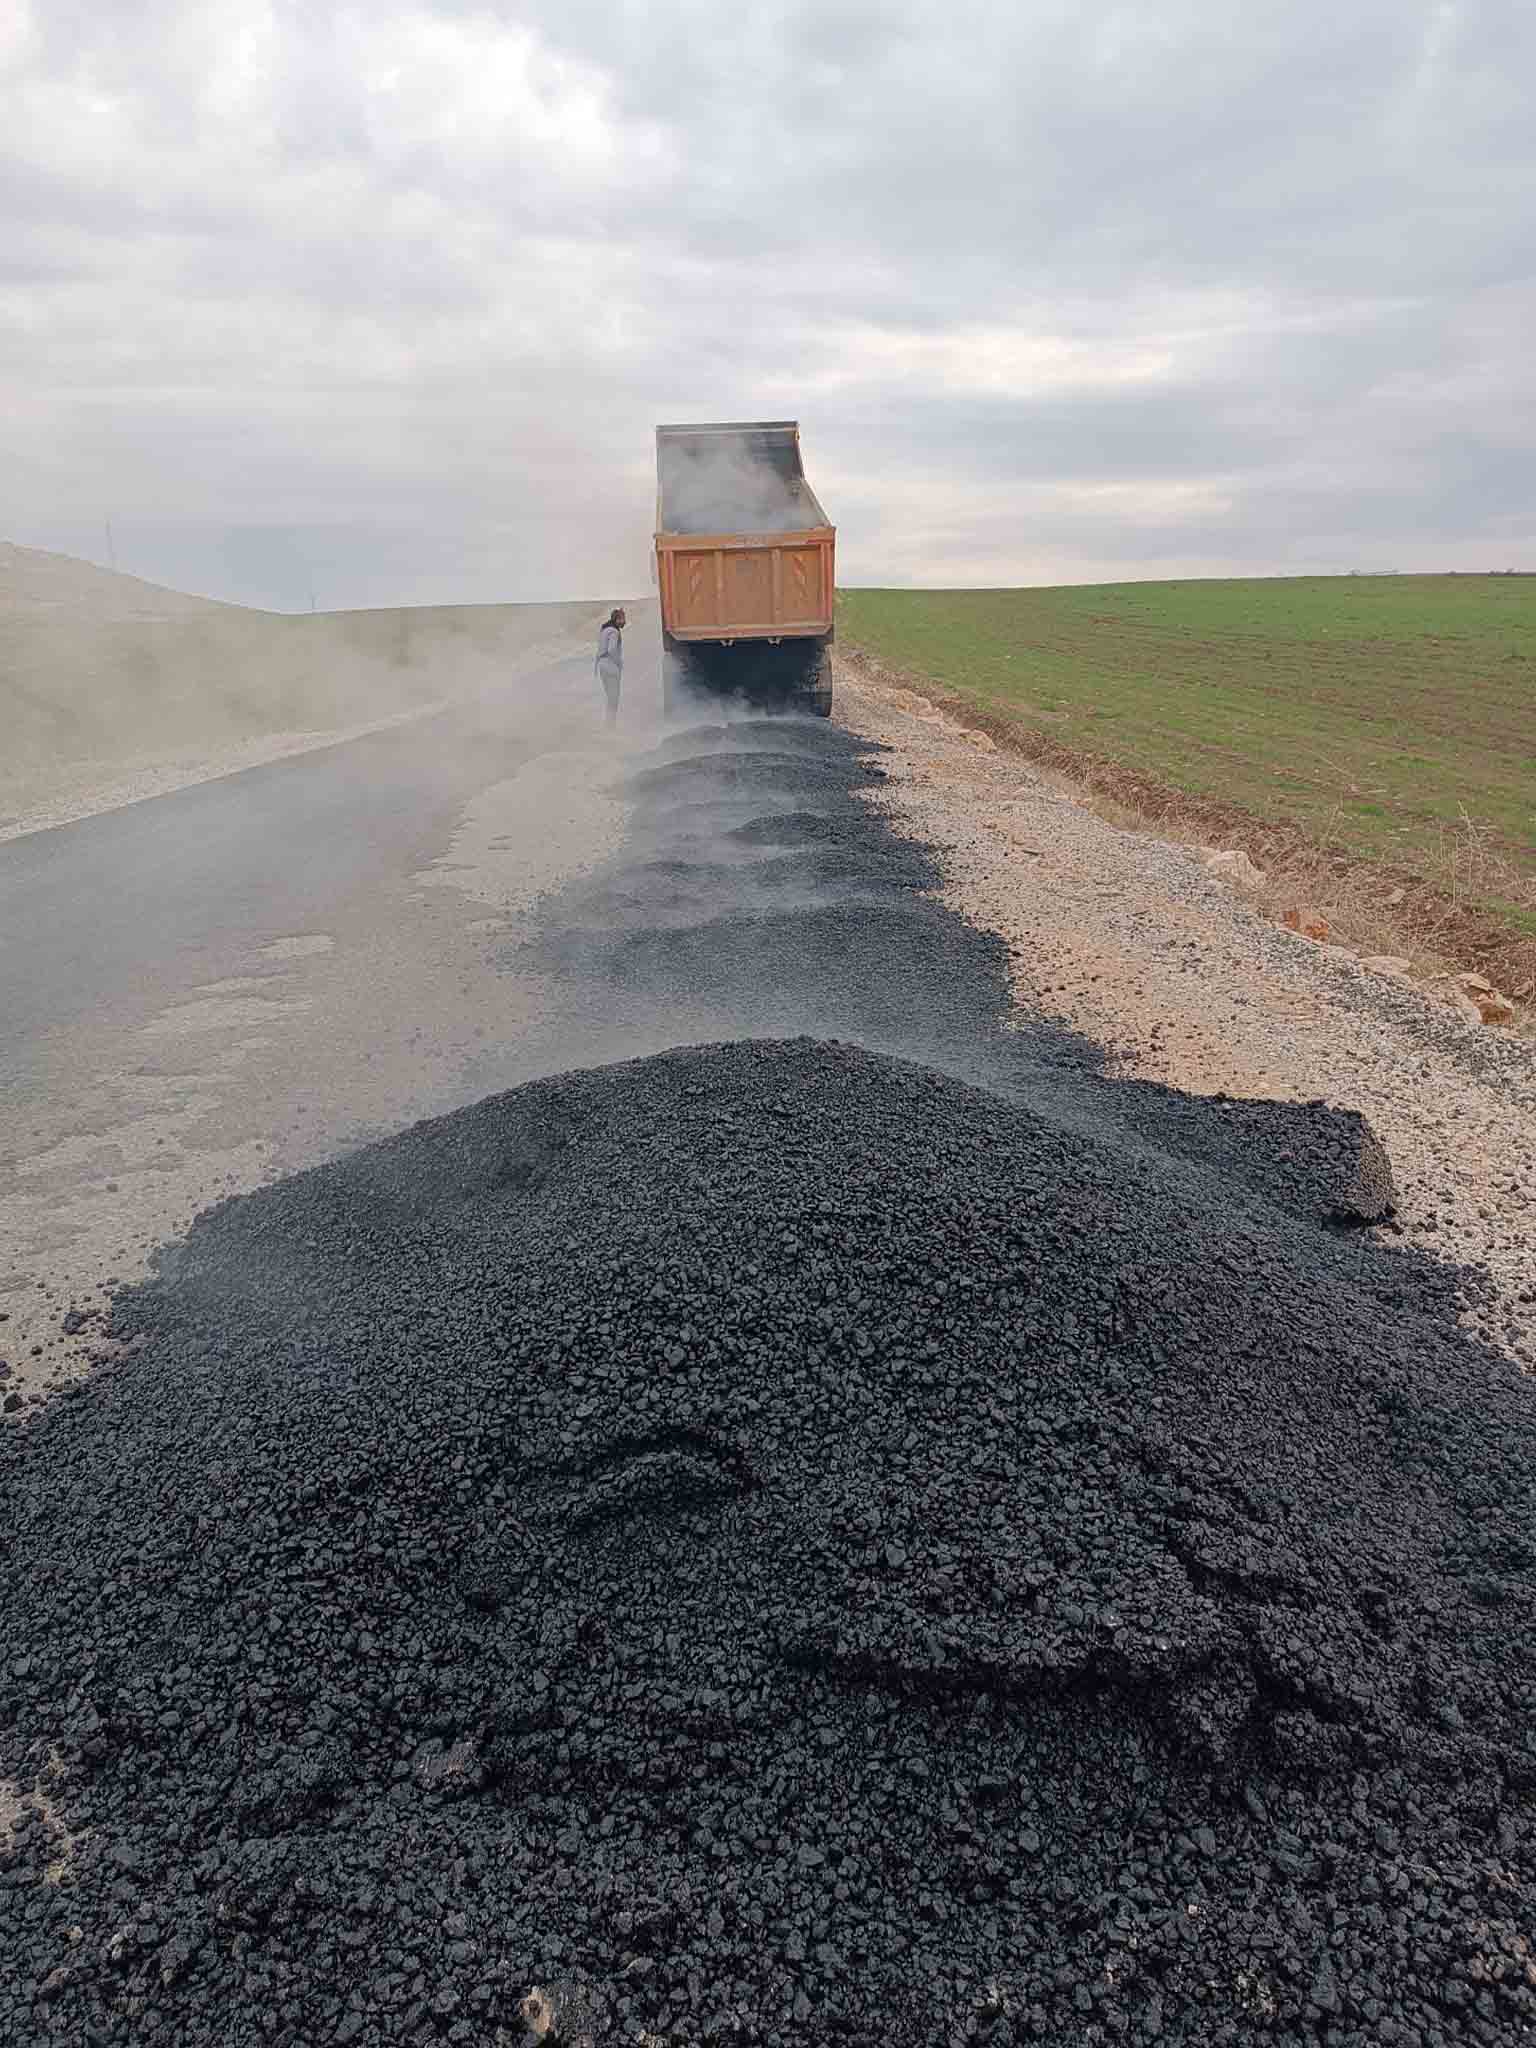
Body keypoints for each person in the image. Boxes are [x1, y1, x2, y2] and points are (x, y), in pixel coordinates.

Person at [595, 607, 625, 728]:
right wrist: (619, 663)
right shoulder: (614, 631)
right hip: (610, 667)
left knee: (610, 697)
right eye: (623, 619)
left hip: (602, 665)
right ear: (617, 619)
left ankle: (608, 724)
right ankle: (610, 726)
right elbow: (612, 649)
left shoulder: (605, 630)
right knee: (614, 698)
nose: (624, 622)